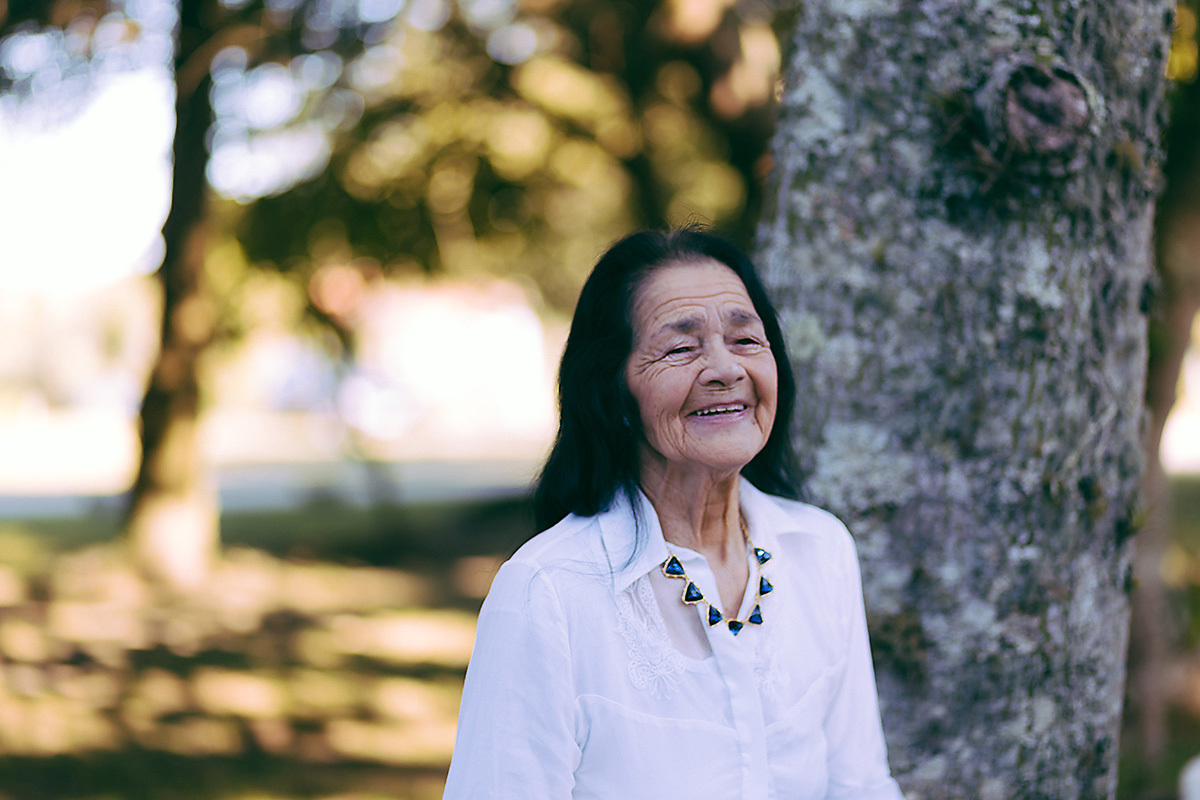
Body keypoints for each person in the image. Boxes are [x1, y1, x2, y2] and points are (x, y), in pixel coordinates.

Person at [443, 227, 904, 799]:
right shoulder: (548, 594)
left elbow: (859, 784)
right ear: (613, 392)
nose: (724, 369)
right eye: (681, 348)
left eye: (746, 340)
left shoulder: (819, 549)